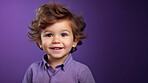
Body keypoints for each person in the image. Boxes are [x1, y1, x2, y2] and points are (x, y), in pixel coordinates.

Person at [23, 1, 95, 83]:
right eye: (49, 35)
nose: (56, 41)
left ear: (75, 41)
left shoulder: (82, 71)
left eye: (63, 34)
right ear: (40, 42)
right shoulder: (33, 70)